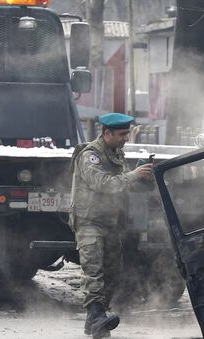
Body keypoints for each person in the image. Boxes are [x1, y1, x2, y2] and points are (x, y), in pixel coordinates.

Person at [69, 113, 153, 338]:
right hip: (90, 222)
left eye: (127, 133)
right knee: (93, 271)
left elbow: (121, 187)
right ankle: (97, 317)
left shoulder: (116, 153)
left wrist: (141, 179)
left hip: (111, 223)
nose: (126, 137)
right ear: (107, 133)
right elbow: (103, 184)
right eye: (122, 134)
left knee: (113, 273)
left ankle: (94, 321)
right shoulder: (90, 155)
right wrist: (133, 176)